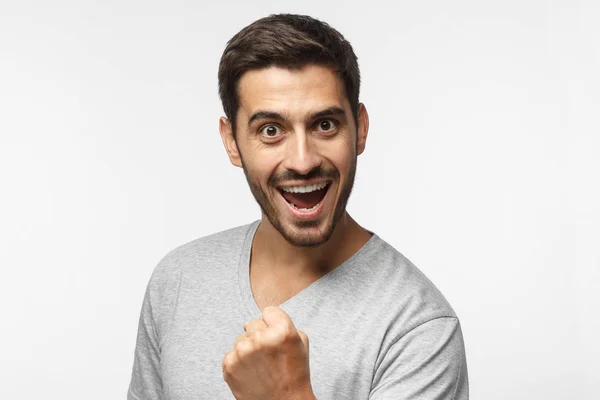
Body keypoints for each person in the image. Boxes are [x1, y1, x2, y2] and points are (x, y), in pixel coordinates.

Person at [128, 13, 469, 400]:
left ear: (360, 129)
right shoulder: (177, 280)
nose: (303, 161)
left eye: (325, 125)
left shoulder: (418, 328)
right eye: (271, 130)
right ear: (231, 141)